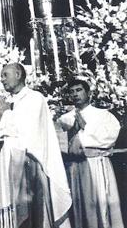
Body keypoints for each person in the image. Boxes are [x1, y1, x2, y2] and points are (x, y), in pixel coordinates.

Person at [0, 63, 71, 228]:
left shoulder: (34, 98)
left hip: (29, 163)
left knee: (31, 215)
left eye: (6, 75)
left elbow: (27, 132)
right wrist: (1, 114)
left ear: (18, 74)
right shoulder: (8, 101)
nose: (2, 79)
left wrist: (5, 113)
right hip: (6, 164)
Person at [58, 79, 124, 228]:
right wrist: (73, 132)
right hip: (74, 167)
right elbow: (60, 143)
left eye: (79, 90)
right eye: (72, 91)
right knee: (79, 207)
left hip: (95, 165)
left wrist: (85, 129)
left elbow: (109, 138)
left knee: (98, 205)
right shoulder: (64, 118)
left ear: (88, 93)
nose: (75, 94)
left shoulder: (103, 115)